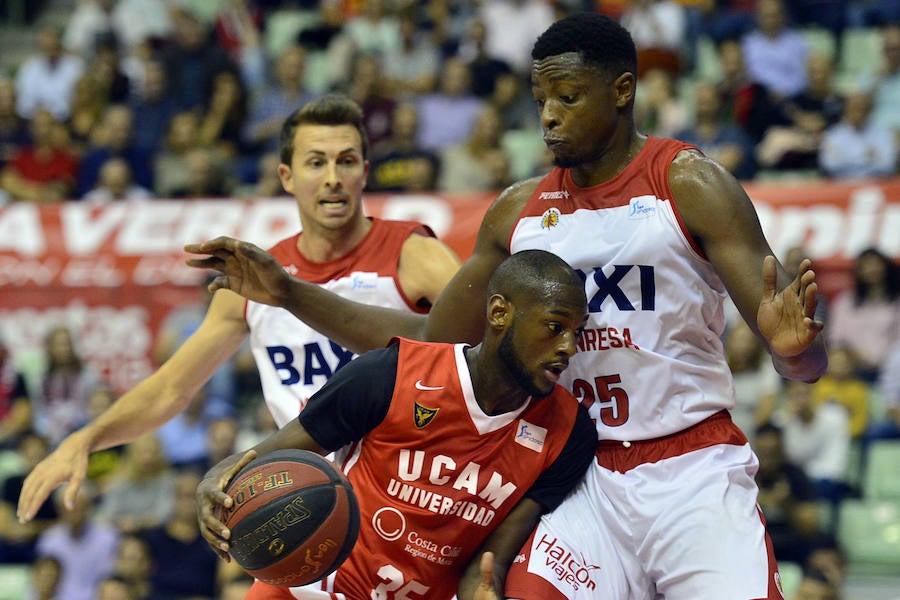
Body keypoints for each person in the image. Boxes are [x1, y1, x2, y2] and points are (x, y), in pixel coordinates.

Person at [183, 13, 828, 599]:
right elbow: (425, 344)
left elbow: (800, 365)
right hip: (580, 476)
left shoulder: (687, 184)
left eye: (568, 98)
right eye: (541, 99)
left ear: (623, 92)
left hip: (687, 464)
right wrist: (291, 293)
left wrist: (797, 351)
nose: (548, 116)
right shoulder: (518, 213)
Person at [16, 94, 461, 522]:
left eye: (345, 161)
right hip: (307, 506)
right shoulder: (254, 277)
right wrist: (87, 438)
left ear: (364, 172)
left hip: (410, 497)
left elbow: (483, 351)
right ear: (286, 177)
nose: (332, 177)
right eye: (316, 162)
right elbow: (172, 388)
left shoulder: (414, 253)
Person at [196, 249, 597, 600]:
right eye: (554, 327)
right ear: (498, 313)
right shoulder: (392, 373)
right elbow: (263, 461)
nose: (568, 347)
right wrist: (216, 480)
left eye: (576, 333)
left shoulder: (568, 432)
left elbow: (489, 561)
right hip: (313, 587)